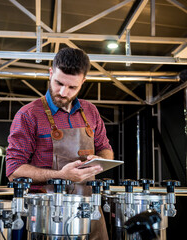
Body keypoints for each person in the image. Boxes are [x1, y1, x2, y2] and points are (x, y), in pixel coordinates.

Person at [6, 47, 114, 240]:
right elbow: (14, 171)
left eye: (72, 87)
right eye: (58, 83)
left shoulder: (91, 112)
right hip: (48, 213)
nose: (63, 92)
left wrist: (100, 159)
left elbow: (106, 149)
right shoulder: (29, 115)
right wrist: (61, 176)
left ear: (83, 82)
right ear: (50, 72)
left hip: (90, 209)